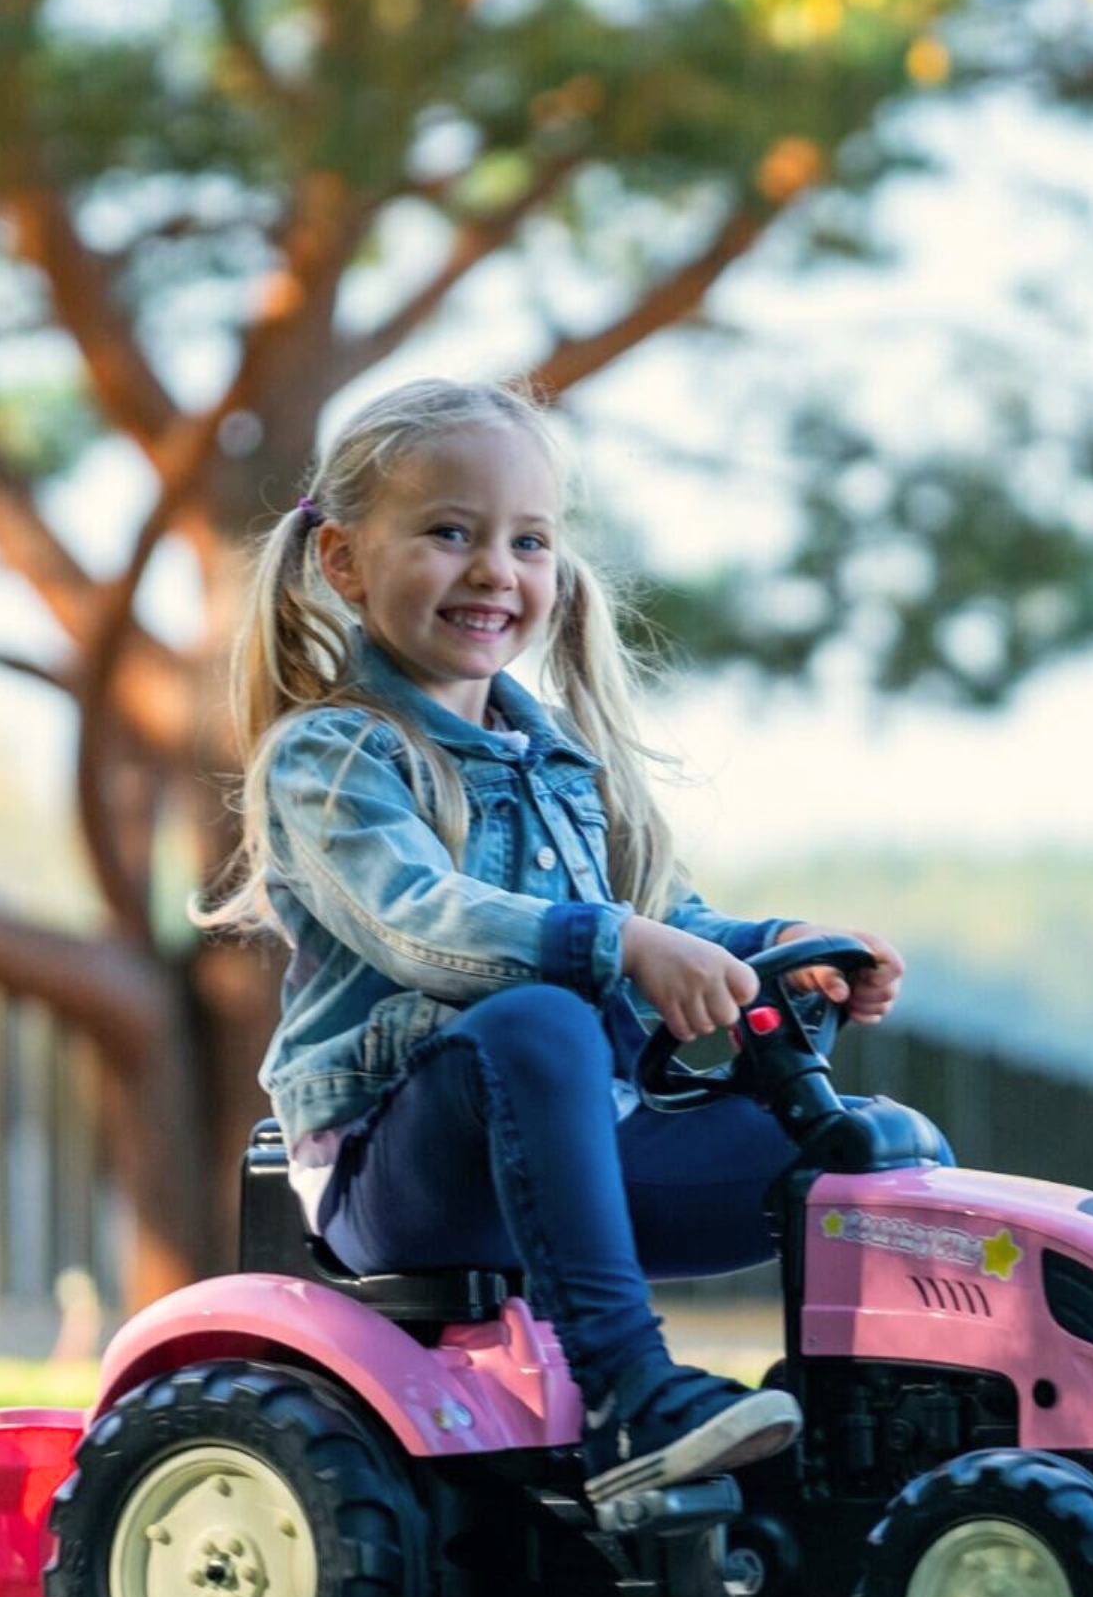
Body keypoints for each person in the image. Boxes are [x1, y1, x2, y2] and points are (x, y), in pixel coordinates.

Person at [196, 378, 905, 1504]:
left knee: (876, 1148)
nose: (494, 570)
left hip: (584, 1143)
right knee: (538, 1018)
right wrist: (614, 941)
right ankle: (631, 1395)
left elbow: (672, 919)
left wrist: (779, 943)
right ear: (341, 562)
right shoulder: (334, 757)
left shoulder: (561, 763)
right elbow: (424, 926)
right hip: (404, 1173)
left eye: (528, 540)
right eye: (448, 533)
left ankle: (864, 1440)